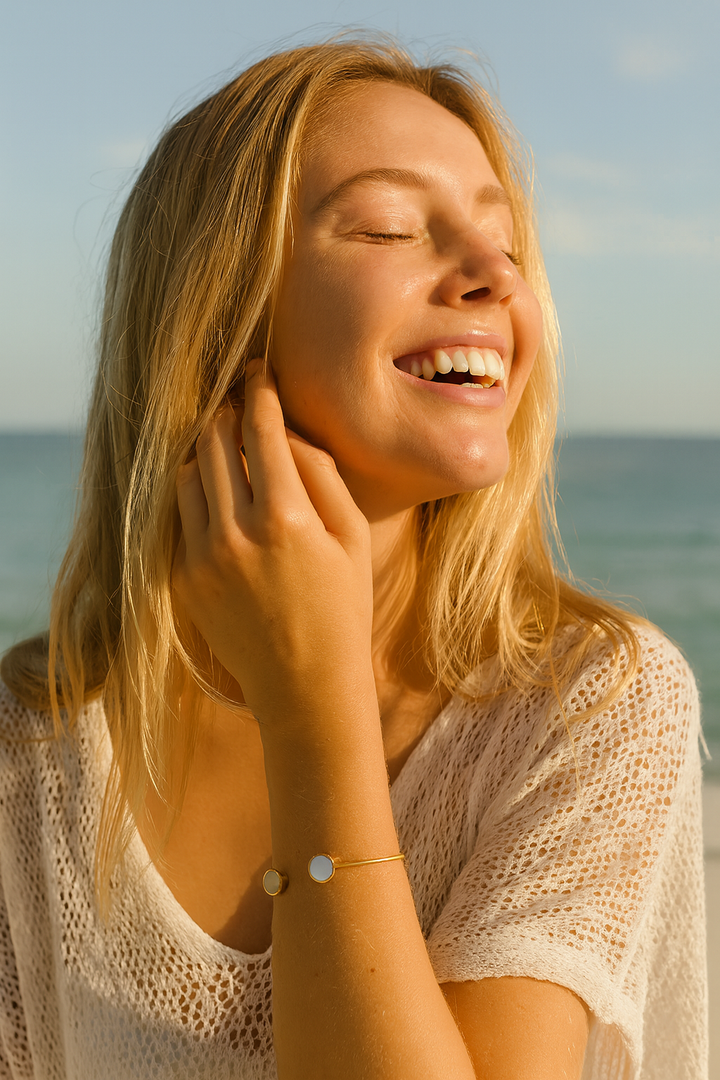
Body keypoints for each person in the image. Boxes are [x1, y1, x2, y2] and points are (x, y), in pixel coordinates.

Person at [0, 35, 707, 1080]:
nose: (492, 279)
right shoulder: (32, 750)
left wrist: (310, 701)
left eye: (506, 245)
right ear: (218, 311)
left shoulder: (594, 701)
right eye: (389, 225)